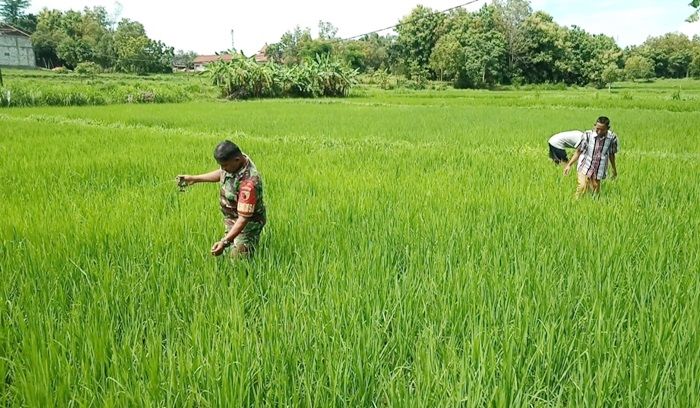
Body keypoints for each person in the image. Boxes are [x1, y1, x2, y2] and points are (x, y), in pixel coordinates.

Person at [178, 140, 266, 257]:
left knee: (238, 260)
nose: (222, 168)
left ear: (237, 160)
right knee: (226, 254)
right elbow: (222, 173)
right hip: (233, 217)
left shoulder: (249, 183)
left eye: (224, 165)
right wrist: (194, 179)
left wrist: (224, 242)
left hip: (248, 224)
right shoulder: (237, 160)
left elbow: (243, 218)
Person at [563, 116, 618, 198]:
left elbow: (611, 154)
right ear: (594, 125)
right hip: (585, 165)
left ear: (608, 128)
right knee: (582, 186)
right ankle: (575, 203)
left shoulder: (612, 138)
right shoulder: (587, 135)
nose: (599, 132)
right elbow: (579, 151)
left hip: (599, 167)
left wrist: (613, 169)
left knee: (595, 190)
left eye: (602, 130)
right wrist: (569, 165)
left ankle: (592, 205)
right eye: (597, 128)